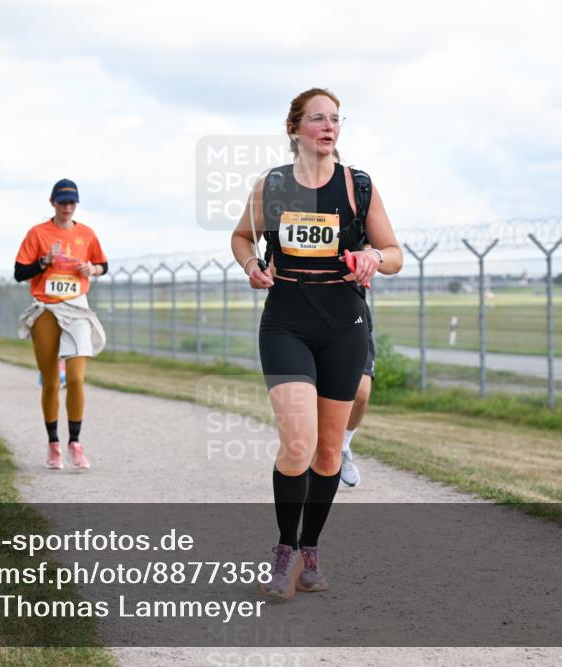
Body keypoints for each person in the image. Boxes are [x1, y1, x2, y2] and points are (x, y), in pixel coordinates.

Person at [230, 88, 402, 600]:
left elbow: (394, 253)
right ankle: (283, 553)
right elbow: (242, 237)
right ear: (295, 128)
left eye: (335, 119)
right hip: (286, 320)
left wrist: (373, 258)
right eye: (318, 119)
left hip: (343, 324)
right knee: (298, 444)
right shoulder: (273, 186)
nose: (329, 127)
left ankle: (311, 550)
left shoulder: (358, 186)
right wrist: (251, 265)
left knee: (328, 452)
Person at [14, 178, 108, 471]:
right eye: (62, 202)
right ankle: (53, 442)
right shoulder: (37, 233)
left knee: (77, 378)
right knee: (51, 380)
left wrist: (92, 268)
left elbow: (104, 265)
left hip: (77, 308)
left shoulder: (87, 234)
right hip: (46, 308)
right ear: (52, 203)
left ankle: (75, 444)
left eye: (72, 202)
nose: (67, 207)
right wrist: (44, 262)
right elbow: (20, 272)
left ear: (76, 204)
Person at [340, 296, 376, 487]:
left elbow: (394, 265)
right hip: (304, 317)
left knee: (361, 393)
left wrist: (376, 263)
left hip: (353, 319)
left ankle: (343, 446)